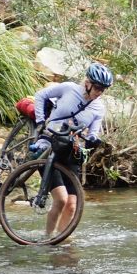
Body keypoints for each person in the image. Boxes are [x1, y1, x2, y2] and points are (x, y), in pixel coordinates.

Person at [33, 62, 113, 240]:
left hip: (70, 150)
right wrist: (40, 122)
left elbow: (93, 133)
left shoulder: (99, 108)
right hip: (50, 143)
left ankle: (61, 240)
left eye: (103, 89)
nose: (100, 92)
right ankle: (47, 238)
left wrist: (93, 139)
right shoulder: (68, 88)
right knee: (61, 199)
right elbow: (40, 95)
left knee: (71, 204)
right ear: (88, 83)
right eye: (98, 88)